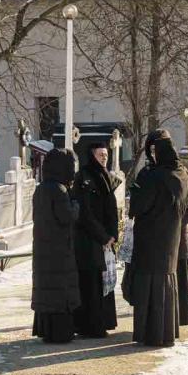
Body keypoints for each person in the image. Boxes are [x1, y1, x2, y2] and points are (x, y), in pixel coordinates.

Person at [125, 135, 188, 347]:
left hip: (150, 237)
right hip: (171, 238)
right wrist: (178, 221)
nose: (153, 155)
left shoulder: (152, 176)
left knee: (149, 285)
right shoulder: (182, 174)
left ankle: (150, 333)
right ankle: (166, 332)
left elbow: (138, 206)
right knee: (166, 283)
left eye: (155, 151)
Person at [137, 129, 188, 327]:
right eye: (151, 150)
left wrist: (177, 222)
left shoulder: (181, 171)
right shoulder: (148, 173)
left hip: (176, 235)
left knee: (177, 277)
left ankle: (179, 319)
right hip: (154, 238)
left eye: (157, 149)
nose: (154, 154)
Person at [31, 148, 81, 343]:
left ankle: (47, 330)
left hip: (43, 247)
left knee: (47, 291)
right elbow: (66, 216)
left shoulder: (41, 189)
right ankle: (61, 332)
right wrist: (75, 204)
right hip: (59, 250)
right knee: (60, 292)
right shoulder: (59, 190)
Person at [71, 141, 118, 338]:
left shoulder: (106, 176)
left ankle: (103, 322)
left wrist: (113, 235)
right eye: (100, 155)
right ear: (92, 155)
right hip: (89, 239)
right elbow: (85, 213)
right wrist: (103, 236)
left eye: (106, 154)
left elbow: (112, 209)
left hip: (105, 239)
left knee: (103, 282)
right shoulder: (84, 177)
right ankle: (90, 326)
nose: (104, 158)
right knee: (91, 282)